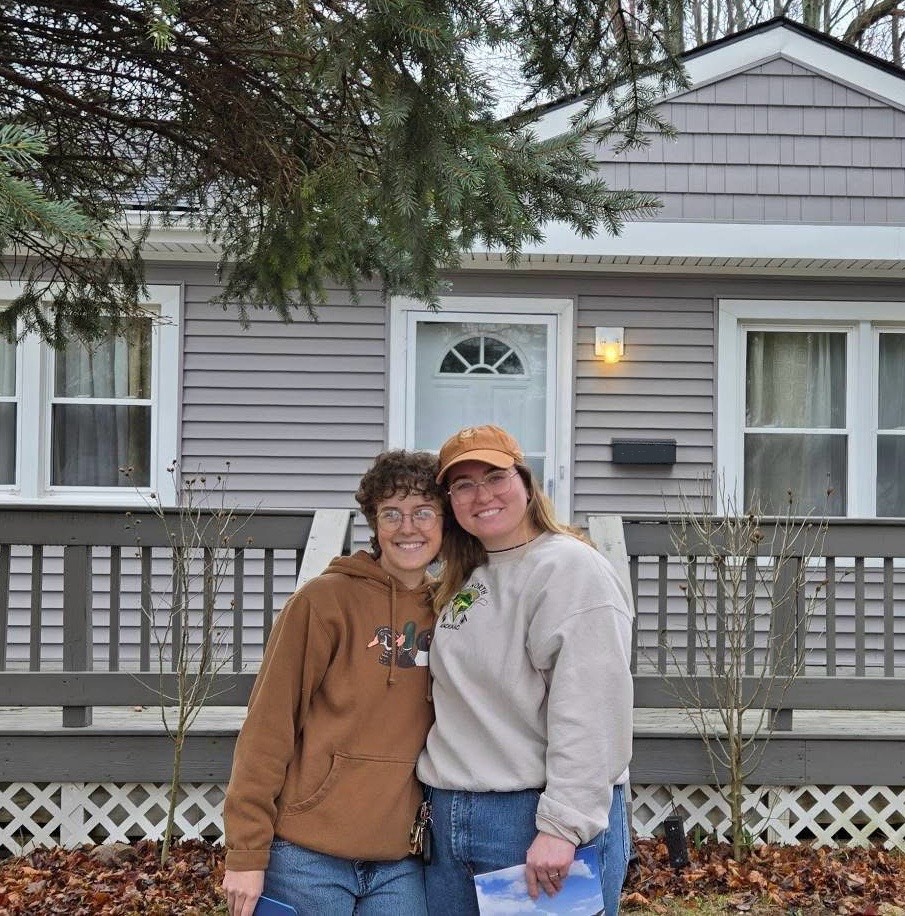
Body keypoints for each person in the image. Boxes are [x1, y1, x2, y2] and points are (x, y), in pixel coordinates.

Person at [418, 425, 633, 916]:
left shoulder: (568, 569)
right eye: (463, 485)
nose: (482, 495)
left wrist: (563, 826)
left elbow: (593, 706)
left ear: (526, 483)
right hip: (449, 816)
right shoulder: (467, 576)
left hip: (531, 821)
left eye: (495, 476)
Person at [222, 450, 445, 916]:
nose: (409, 527)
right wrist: (245, 852)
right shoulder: (323, 603)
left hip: (399, 860)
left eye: (424, 512)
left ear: (444, 523)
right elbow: (268, 727)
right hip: (307, 854)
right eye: (392, 513)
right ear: (374, 524)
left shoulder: (450, 611)